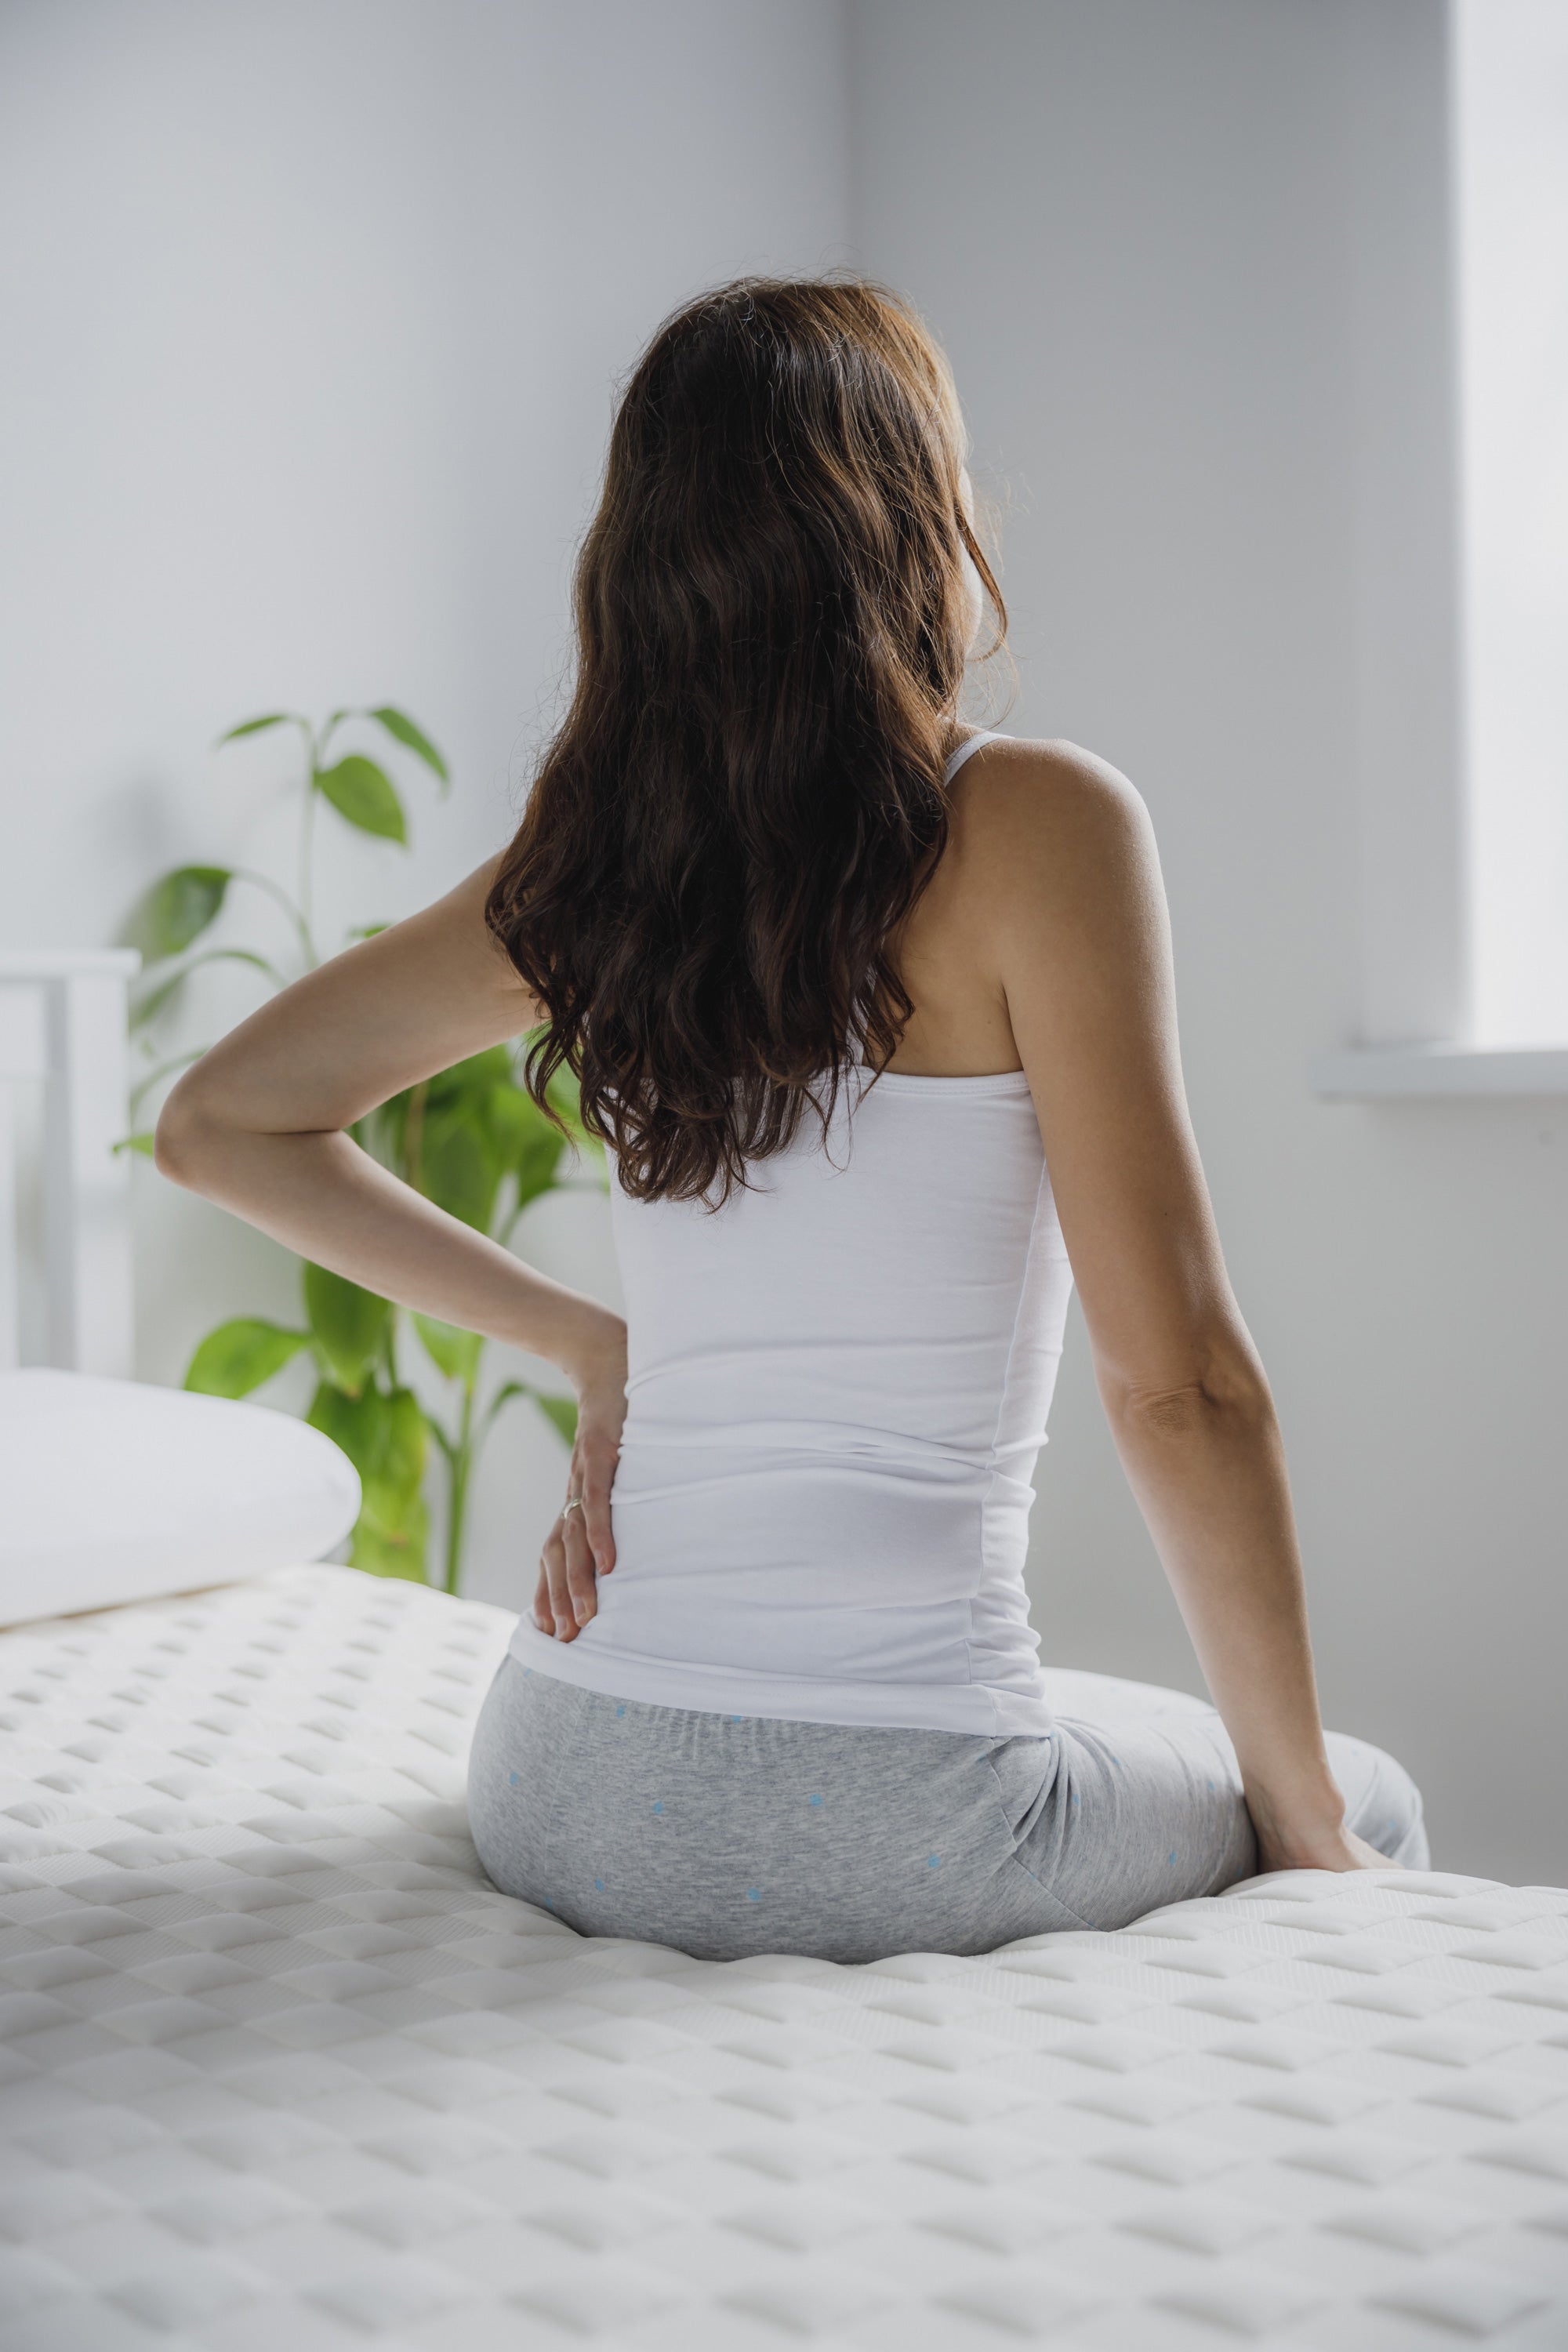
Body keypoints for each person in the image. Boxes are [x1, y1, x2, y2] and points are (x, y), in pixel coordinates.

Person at [157, 274, 1427, 1965]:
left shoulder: (597, 866)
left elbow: (219, 1122)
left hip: (556, 1775)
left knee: (1155, 1735)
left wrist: (592, 1344)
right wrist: (1304, 1819)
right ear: (907, 516)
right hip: (891, 1815)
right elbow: (1177, 1384)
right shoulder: (1037, 824)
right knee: (1368, 1794)